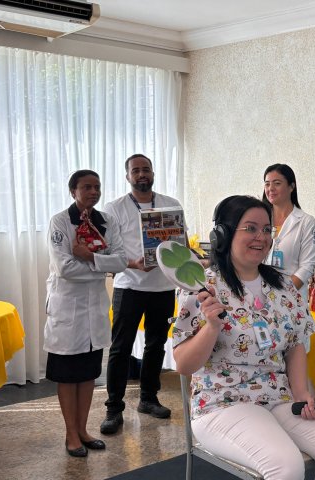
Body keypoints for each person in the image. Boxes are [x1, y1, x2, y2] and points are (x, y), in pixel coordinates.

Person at [173, 195, 315, 480]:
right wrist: (211, 327)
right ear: (223, 234)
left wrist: (301, 393)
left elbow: (295, 344)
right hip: (222, 402)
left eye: (267, 229)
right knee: (287, 467)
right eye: (250, 228)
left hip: (278, 397)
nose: (261, 237)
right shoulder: (202, 286)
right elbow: (184, 365)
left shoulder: (283, 285)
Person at [44, 170, 127, 457]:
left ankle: (82, 429)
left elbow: (121, 260)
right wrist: (102, 266)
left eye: (97, 187)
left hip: (94, 310)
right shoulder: (60, 222)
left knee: (88, 374)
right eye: (87, 187)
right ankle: (71, 434)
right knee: (68, 376)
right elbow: (64, 268)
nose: (93, 192)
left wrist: (89, 256)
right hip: (67, 310)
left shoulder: (107, 222)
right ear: (73, 191)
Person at [100, 153, 183, 434]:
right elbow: (108, 250)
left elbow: (180, 242)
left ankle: (148, 398)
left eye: (146, 169)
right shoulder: (114, 208)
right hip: (129, 286)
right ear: (128, 176)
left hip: (163, 286)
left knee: (156, 345)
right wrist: (133, 264)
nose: (141, 174)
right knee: (120, 349)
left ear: (153, 173)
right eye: (135, 170)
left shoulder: (171, 204)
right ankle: (113, 408)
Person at [262, 164, 315, 301]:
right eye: (267, 184)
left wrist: (283, 294)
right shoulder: (260, 219)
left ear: (291, 187)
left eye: (277, 183)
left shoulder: (306, 222)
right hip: (260, 297)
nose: (271, 188)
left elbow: (307, 266)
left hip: (291, 299)